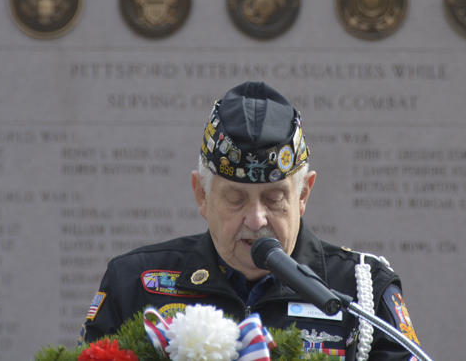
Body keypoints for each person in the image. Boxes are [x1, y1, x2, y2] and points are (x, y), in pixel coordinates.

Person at [81, 81, 420, 361]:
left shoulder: (362, 291)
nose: (256, 220)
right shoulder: (133, 284)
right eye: (235, 198)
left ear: (303, 194)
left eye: (274, 199)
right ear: (202, 195)